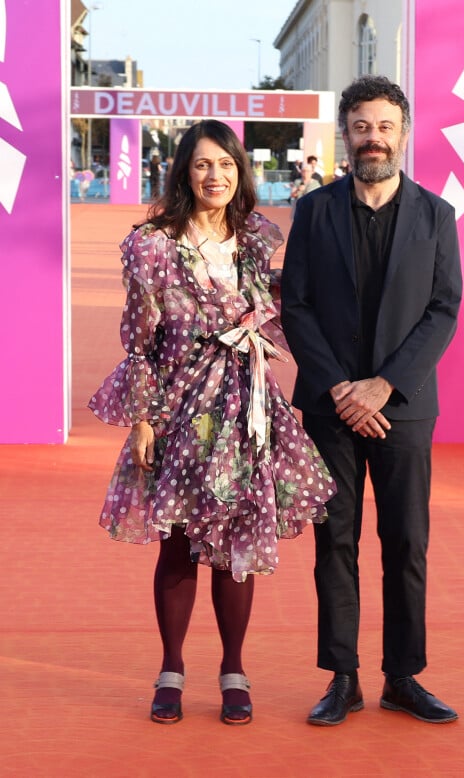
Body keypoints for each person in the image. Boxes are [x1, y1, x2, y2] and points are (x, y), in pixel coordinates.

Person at [89, 120, 335, 727]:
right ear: (183, 172)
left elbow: (282, 309)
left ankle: (233, 669)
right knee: (176, 541)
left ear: (239, 172)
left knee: (235, 542)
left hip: (245, 407)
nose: (215, 175)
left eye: (225, 164)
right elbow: (140, 341)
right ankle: (171, 668)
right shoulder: (151, 244)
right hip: (179, 408)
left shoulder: (255, 238)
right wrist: (142, 419)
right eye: (202, 165)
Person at [281, 75, 463, 726]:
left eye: (385, 126)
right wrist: (338, 386)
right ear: (346, 134)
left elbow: (443, 310)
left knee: (406, 542)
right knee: (335, 541)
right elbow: (294, 306)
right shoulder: (313, 212)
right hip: (330, 408)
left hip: (405, 408)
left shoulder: (437, 216)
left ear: (404, 135)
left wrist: (385, 384)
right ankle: (343, 678)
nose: (373, 138)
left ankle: (403, 677)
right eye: (362, 126)